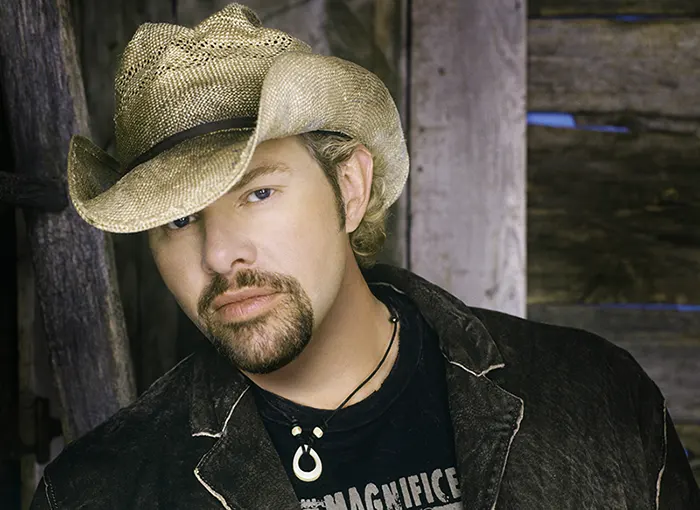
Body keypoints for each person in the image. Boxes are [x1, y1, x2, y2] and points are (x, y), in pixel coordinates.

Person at [31, 3, 698, 509]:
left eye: (258, 192)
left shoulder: (595, 395)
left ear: (348, 189)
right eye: (178, 219)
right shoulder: (98, 491)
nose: (220, 253)